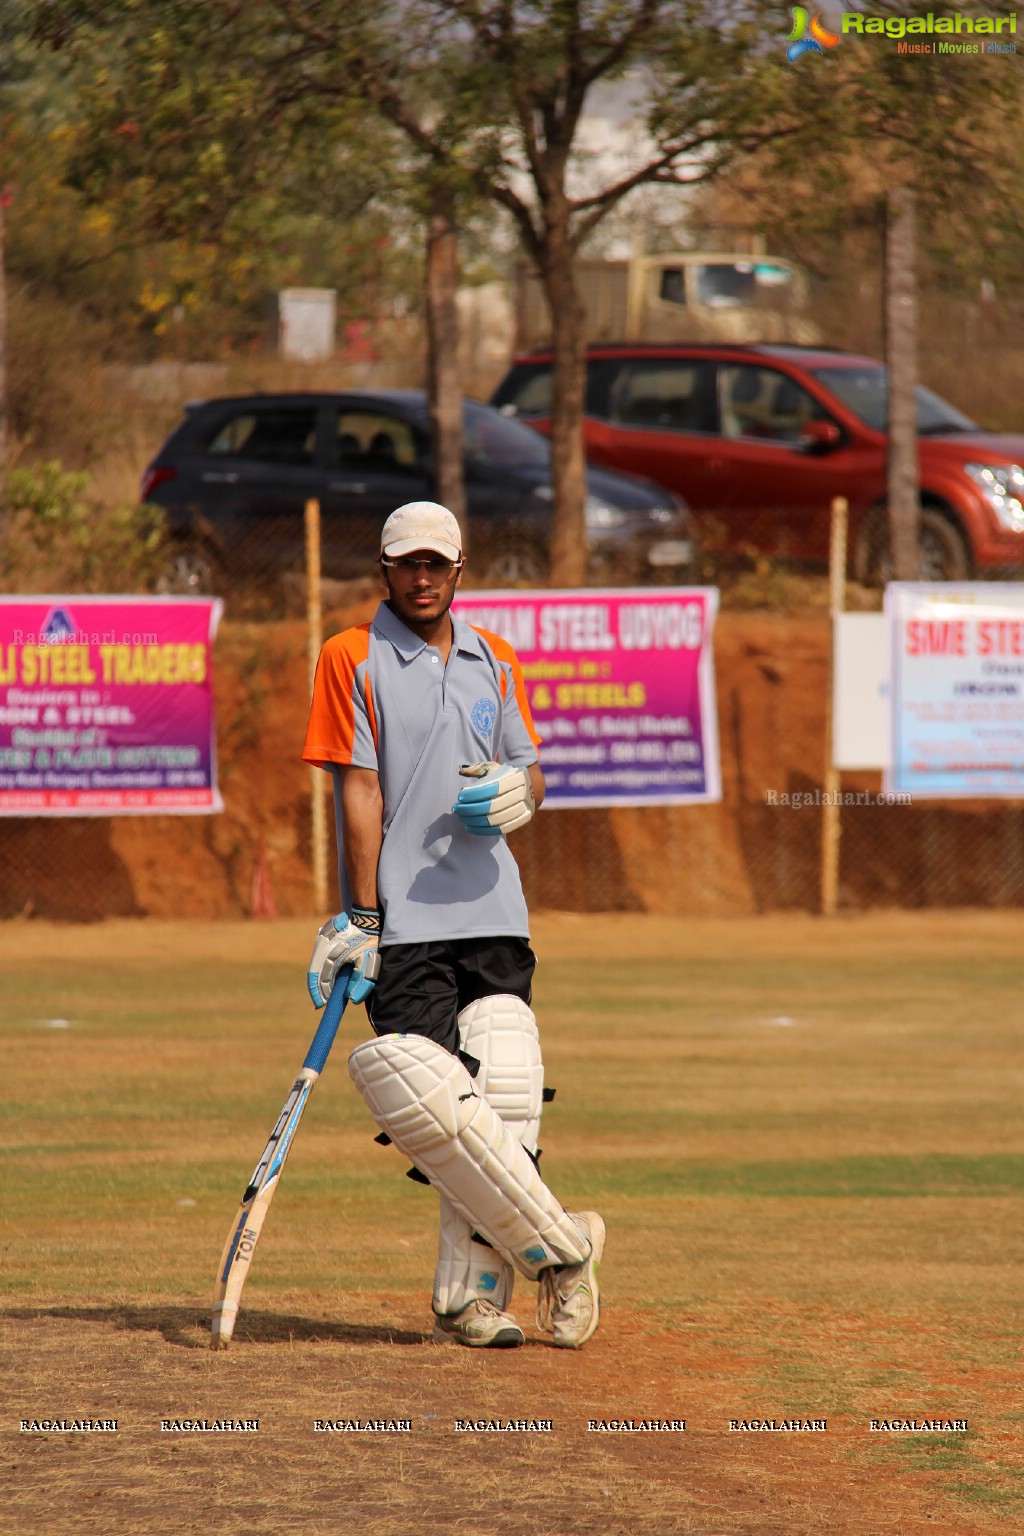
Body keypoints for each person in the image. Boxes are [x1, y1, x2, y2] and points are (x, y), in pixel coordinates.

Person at [301, 500, 604, 1350]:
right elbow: (356, 789)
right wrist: (363, 913)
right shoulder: (349, 656)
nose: (424, 578)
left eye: (438, 563)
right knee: (439, 1111)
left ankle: (470, 1300)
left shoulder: (495, 660)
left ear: (460, 569)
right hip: (404, 922)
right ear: (384, 571)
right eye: (409, 564)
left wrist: (521, 795)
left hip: (496, 912)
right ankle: (567, 1252)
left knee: (500, 1105)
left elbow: (529, 773)